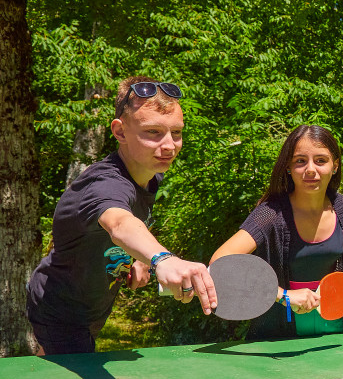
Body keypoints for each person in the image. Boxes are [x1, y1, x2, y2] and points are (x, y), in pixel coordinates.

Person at [26, 76, 217, 355]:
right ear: (120, 132)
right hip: (61, 310)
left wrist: (137, 258)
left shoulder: (149, 175)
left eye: (176, 133)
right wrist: (162, 259)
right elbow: (118, 222)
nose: (169, 145)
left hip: (90, 304)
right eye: (153, 132)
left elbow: (127, 225)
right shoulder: (105, 183)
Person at [211, 124, 343, 338]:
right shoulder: (270, 214)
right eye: (300, 161)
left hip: (339, 334)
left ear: (335, 166)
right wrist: (283, 295)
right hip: (279, 340)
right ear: (288, 167)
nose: (311, 169)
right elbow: (219, 263)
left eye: (321, 160)